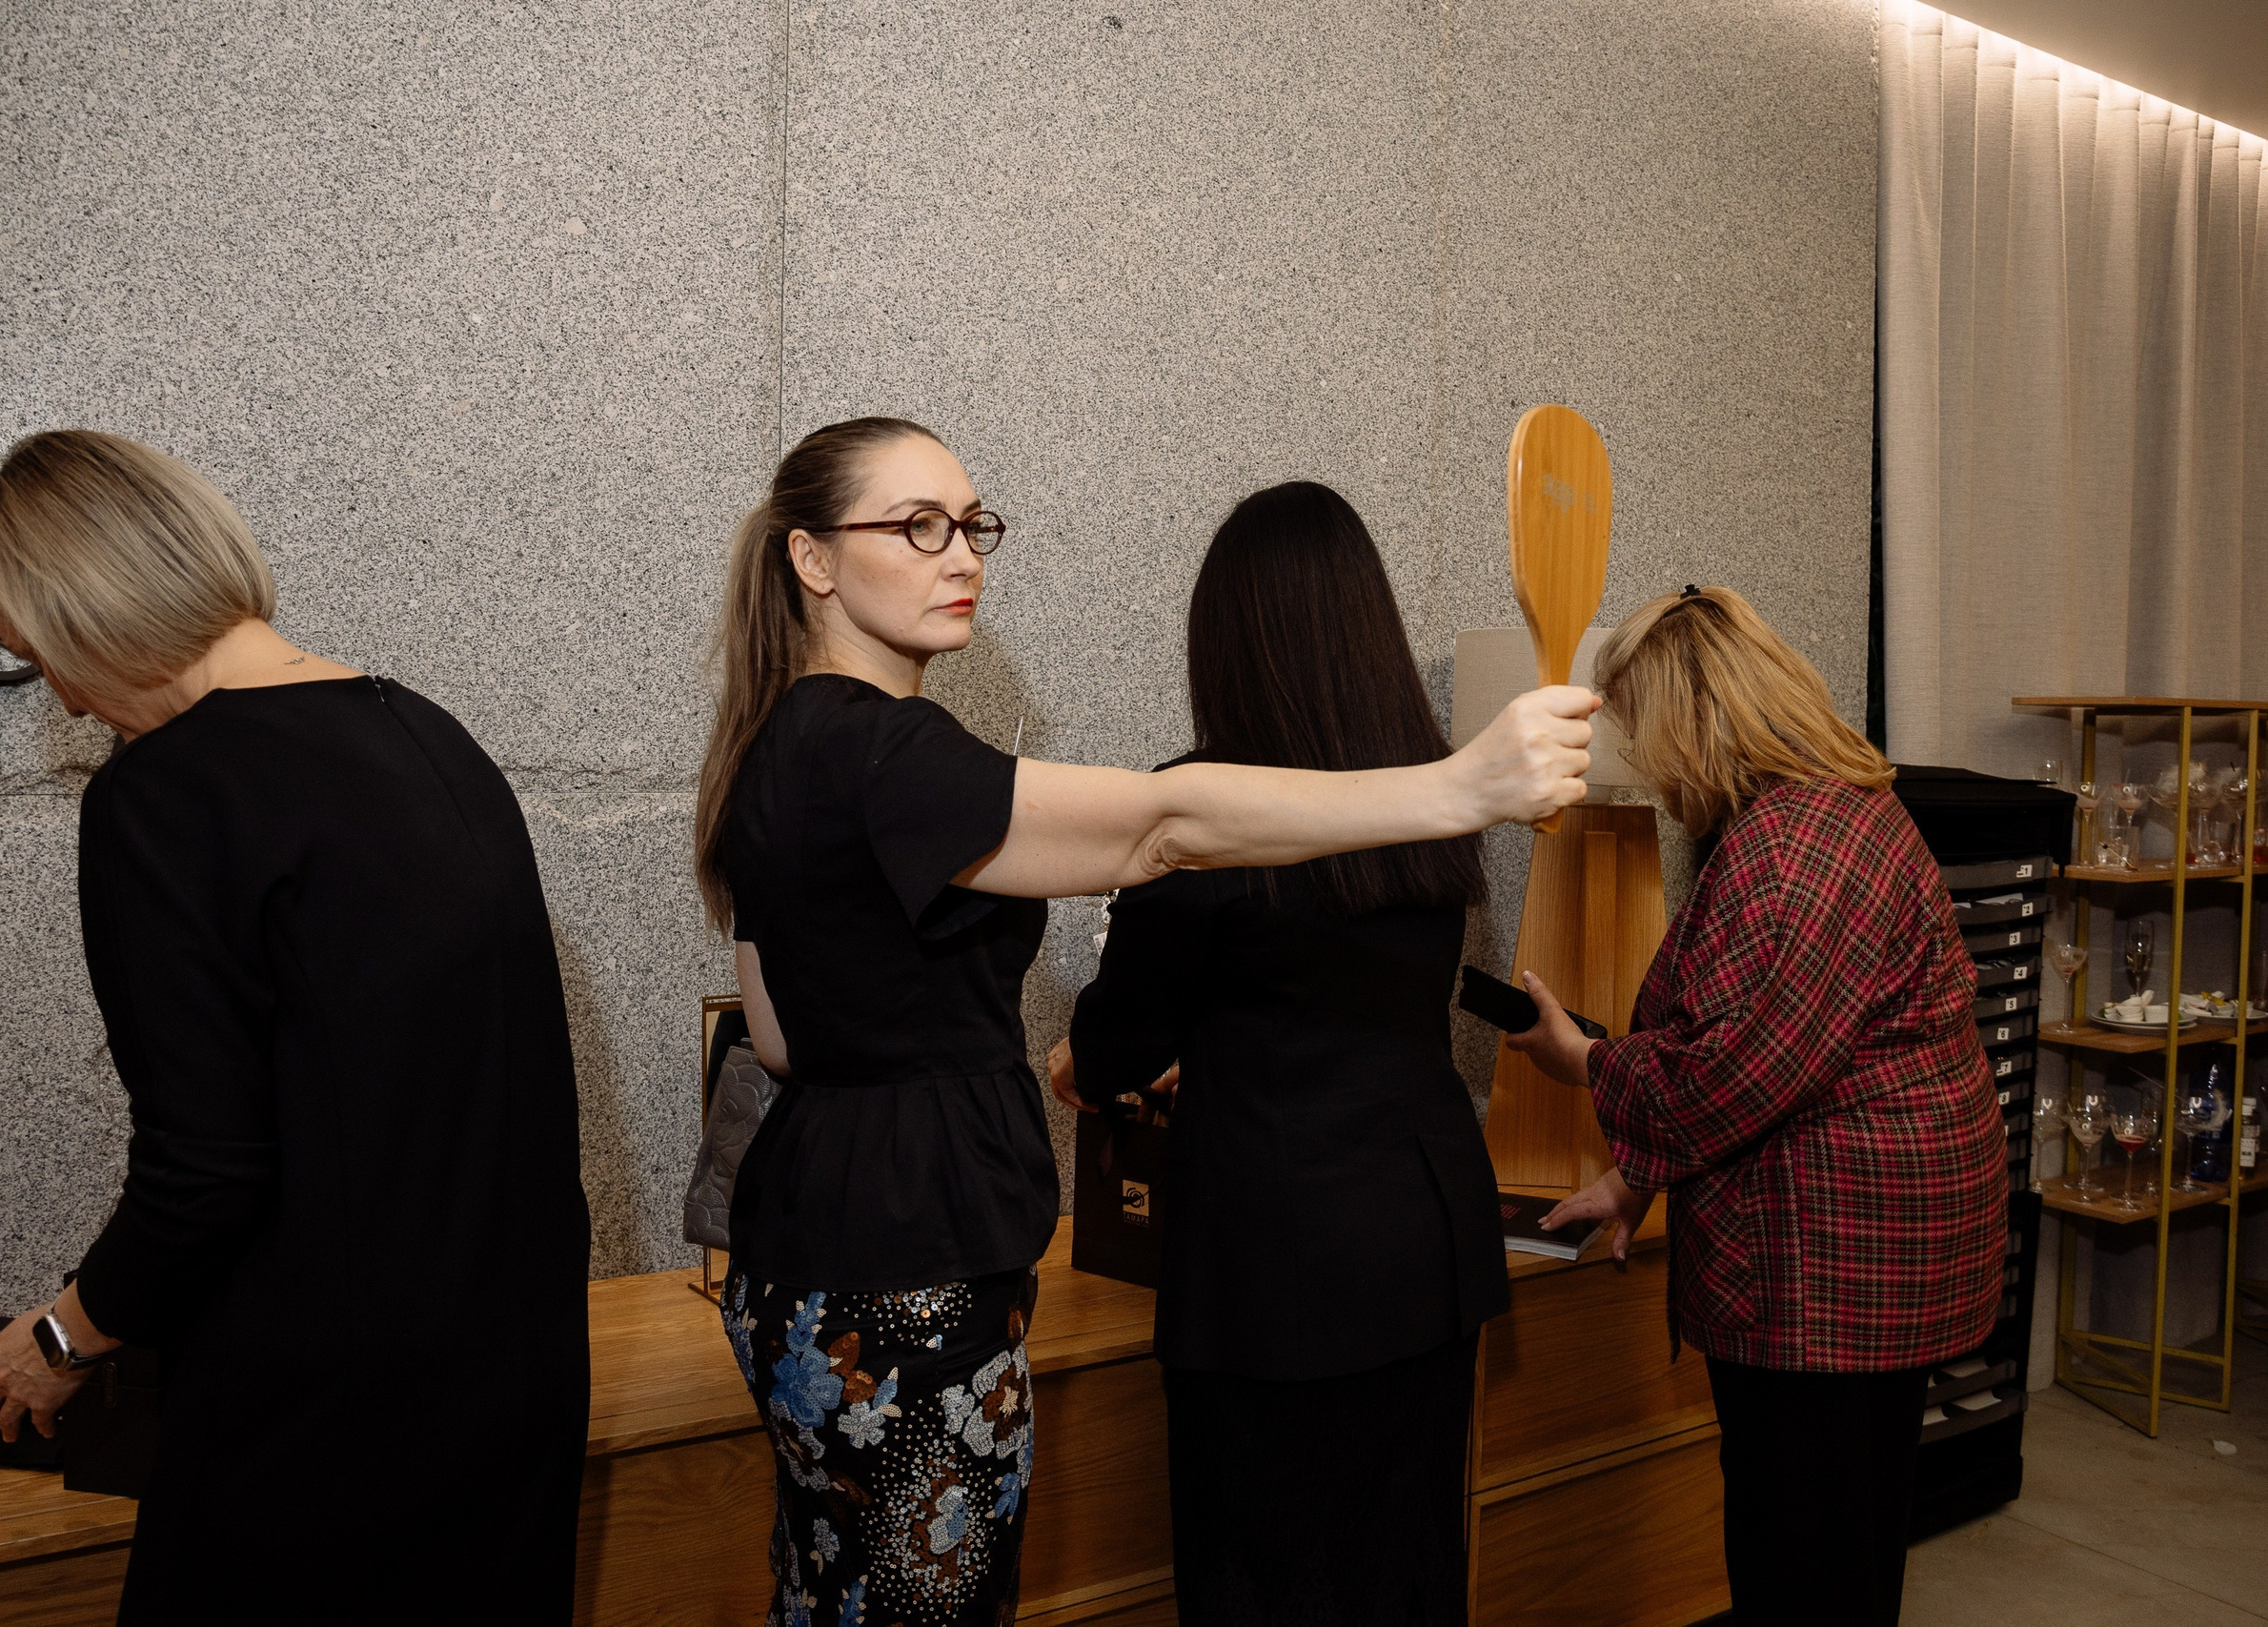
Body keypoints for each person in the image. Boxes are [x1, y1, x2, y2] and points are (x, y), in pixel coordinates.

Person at [696, 419, 1597, 1627]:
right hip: (909, 1273)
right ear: (810, 560)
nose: (960, 553)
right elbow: (1159, 829)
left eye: (972, 525)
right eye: (917, 527)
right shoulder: (882, 748)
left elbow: (781, 1035)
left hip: (810, 1245)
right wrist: (1462, 788)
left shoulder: (776, 747)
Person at [0, 431, 592, 1621]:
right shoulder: (431, 734)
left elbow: (206, 1170)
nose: (72, 700)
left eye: (43, 660)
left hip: (326, 1423)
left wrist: (61, 1335)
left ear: (84, 607)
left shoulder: (163, 798)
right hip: (512, 1384)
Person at [1045, 480, 1507, 1626]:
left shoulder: (1204, 812)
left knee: (1264, 1573)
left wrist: (1089, 1059)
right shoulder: (1430, 795)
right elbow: (1351, 997)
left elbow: (1115, 1048)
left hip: (1272, 1259)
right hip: (1426, 1230)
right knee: (1407, 1566)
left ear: (1230, 641)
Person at [1509, 585, 2008, 1627]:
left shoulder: (1792, 854)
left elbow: (1728, 1077)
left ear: (1697, 719)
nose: (1648, 763)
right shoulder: (1831, 813)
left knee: (1806, 1563)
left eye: (1648, 732)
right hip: (1866, 1256)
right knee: (1842, 1541)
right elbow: (1767, 1054)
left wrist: (1585, 1063)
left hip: (1831, 1272)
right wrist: (1633, 1173)